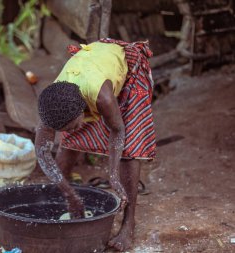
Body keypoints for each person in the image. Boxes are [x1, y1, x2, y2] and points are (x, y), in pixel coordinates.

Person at [34, 38, 156, 251]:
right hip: (90, 71)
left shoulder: (103, 98)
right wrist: (68, 193)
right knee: (69, 142)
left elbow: (118, 131)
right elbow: (42, 154)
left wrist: (114, 177)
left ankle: (129, 223)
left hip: (127, 71)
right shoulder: (52, 105)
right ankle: (57, 202)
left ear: (84, 108)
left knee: (130, 150)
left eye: (72, 124)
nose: (69, 130)